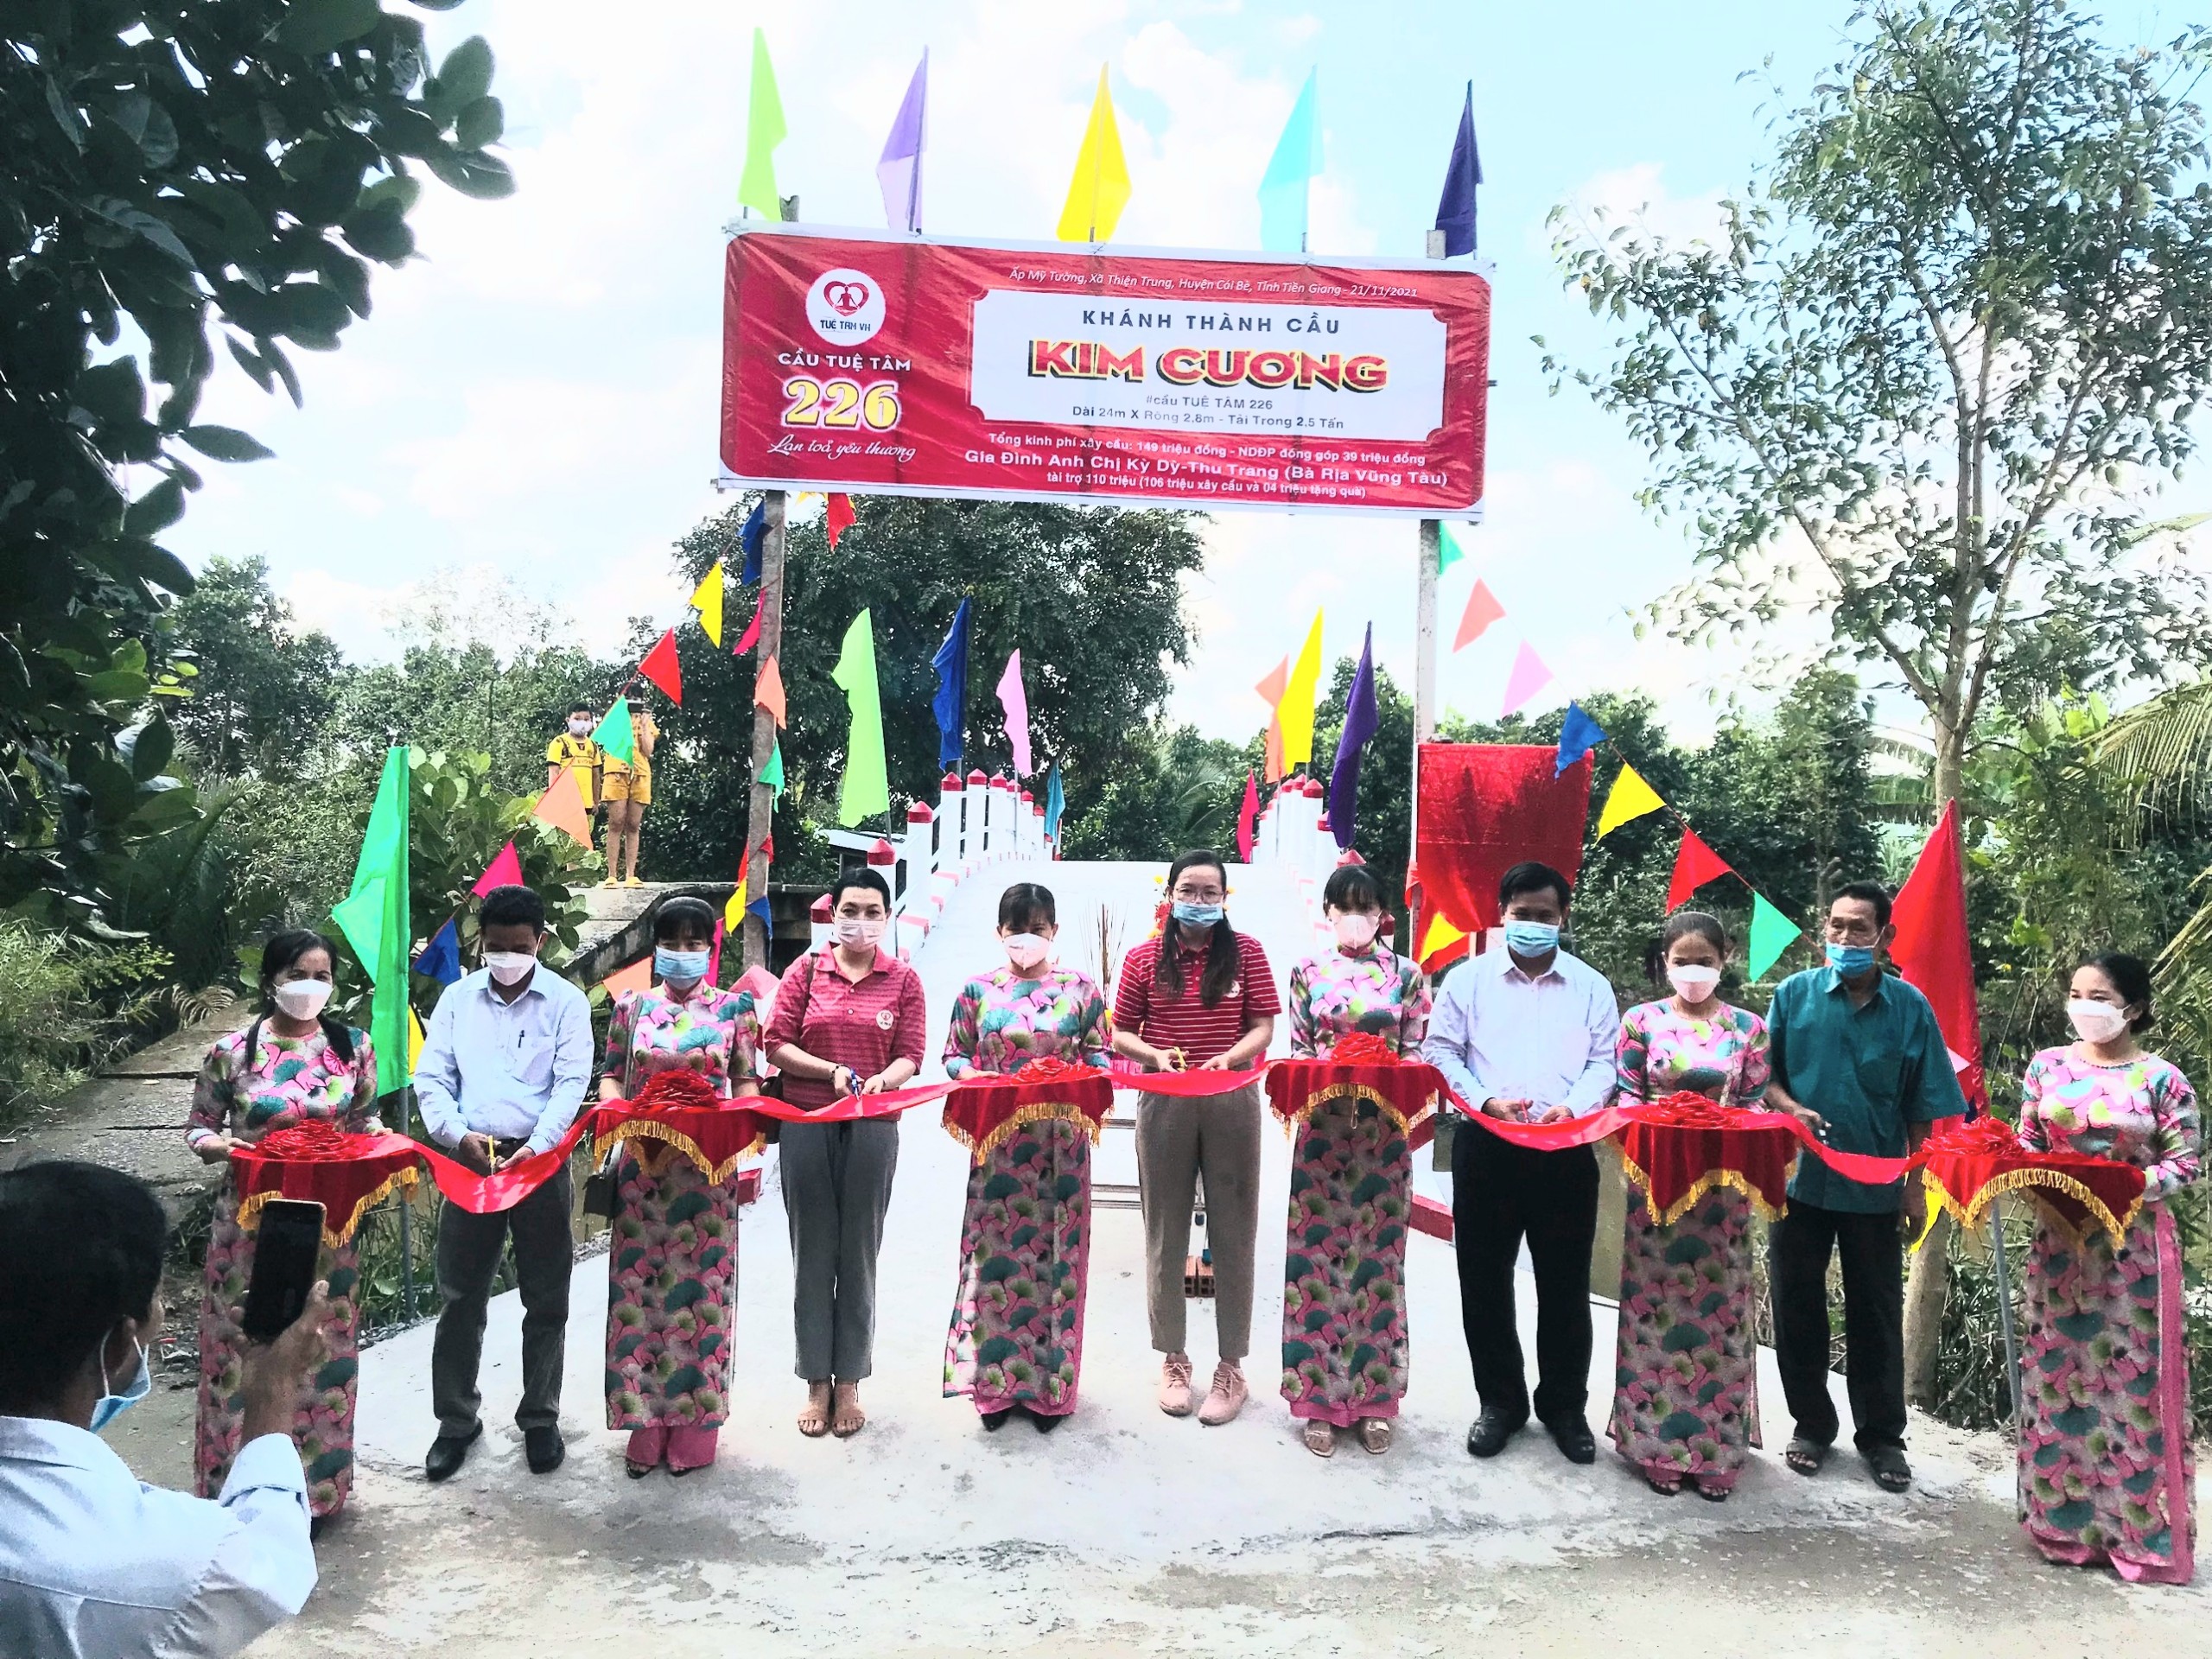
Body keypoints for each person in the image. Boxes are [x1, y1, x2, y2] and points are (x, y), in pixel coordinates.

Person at [0, 1160, 328, 1658]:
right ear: (118, 1345)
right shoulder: (166, 1561)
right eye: (157, 1301)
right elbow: (269, 1563)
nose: (163, 1314)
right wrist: (273, 1389)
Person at [1762, 880, 1967, 1493]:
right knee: (1796, 1302)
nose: (1845, 937)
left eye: (1858, 927)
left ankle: (1881, 1437)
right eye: (1836, 925)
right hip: (1798, 1182)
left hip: (1877, 1188)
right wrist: (1790, 1108)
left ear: (1885, 936)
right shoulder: (1793, 995)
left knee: (1875, 1311)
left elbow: (1923, 1106)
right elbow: (1762, 1078)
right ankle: (1811, 1425)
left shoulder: (1910, 1008)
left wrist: (1914, 1186)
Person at [1422, 860, 1620, 1465]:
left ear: (1564, 917)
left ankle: (1565, 1408)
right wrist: (1486, 1101)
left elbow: (1606, 1063)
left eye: (1545, 915)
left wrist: (1574, 1108)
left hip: (1566, 1148)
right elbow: (1440, 1050)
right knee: (1484, 1281)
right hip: (1487, 1145)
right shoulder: (1467, 981)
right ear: (1501, 914)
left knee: (1566, 1285)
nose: (1533, 923)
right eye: (1522, 914)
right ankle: (1500, 1404)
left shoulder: (1591, 986)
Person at [2014, 952, 2200, 1582]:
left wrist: (2125, 1186)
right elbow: (2026, 1144)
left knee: (2131, 1386)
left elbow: (2186, 1163)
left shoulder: (2163, 1080)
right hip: (2059, 1245)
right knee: (2058, 1376)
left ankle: (2138, 1537)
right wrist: (2022, 1175)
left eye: (2100, 997)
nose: (2084, 1006)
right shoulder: (2046, 1067)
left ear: (2135, 1008)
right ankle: (2060, 1526)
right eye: (2076, 994)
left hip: (2133, 1252)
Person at [184, 930, 378, 1529]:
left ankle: (316, 1494)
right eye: (298, 974)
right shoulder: (231, 1053)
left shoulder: (353, 1047)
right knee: (241, 1346)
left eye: (322, 976)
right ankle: (232, 1488)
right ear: (271, 979)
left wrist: (378, 1144)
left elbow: (363, 1121)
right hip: (249, 1226)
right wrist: (221, 1147)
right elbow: (198, 1127)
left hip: (328, 1228)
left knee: (321, 1347)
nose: (310, 987)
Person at [1610, 911, 1802, 1500]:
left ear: (1725, 960)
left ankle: (1715, 1450)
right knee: (1654, 1310)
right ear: (1664, 962)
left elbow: (1754, 1105)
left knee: (1721, 1314)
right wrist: (1665, 1129)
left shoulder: (1749, 1028)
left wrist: (1729, 1128)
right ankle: (1654, 1444)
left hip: (1724, 1191)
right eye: (1682, 960)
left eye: (1705, 960)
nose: (1694, 970)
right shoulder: (1640, 1022)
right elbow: (1627, 1098)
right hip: (1658, 1189)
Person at [414, 883, 595, 1482]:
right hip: (471, 1158)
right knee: (460, 1295)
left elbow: (571, 1084)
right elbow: (432, 1076)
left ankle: (540, 1417)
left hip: (539, 1161)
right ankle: (456, 1420)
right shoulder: (457, 1000)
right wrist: (455, 1134)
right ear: (480, 943)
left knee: (547, 1295)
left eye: (520, 946)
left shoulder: (565, 1003)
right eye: (497, 946)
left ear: (541, 941)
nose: (508, 957)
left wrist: (538, 1148)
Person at [1111, 849, 1280, 1427]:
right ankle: (1174, 1358)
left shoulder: (1247, 953)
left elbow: (1263, 1025)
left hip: (1232, 1099)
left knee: (1234, 1230)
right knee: (1166, 1230)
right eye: (1188, 890)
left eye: (1211, 892)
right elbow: (1120, 1031)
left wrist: (1231, 1057)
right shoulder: (1143, 958)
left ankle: (1232, 1366)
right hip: (1165, 1101)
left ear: (1224, 899)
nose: (1199, 901)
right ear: (1170, 895)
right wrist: (1155, 1055)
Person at [597, 896, 761, 1477]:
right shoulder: (631, 1006)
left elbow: (746, 1081)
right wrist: (619, 1116)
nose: (683, 952)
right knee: (639, 1297)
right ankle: (644, 1426)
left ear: (710, 949)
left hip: (709, 1177)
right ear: (656, 948)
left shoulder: (736, 1008)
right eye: (672, 942)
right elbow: (612, 1076)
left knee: (702, 1298)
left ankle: (695, 1429)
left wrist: (749, 1150)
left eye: (695, 943)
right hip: (643, 1173)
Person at [940, 882, 1111, 1433]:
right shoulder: (976, 991)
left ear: (1054, 931)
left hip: (1062, 1148)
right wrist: (976, 1076)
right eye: (1016, 928)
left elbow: (1101, 1056)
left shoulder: (1081, 989)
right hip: (999, 1150)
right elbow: (953, 1056)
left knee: (1057, 1262)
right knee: (996, 1260)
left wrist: (1070, 1076)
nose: (1026, 937)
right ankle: (994, 1388)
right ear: (1000, 932)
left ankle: (1049, 1391)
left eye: (1037, 928)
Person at [765, 868, 927, 1439]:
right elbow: (775, 1043)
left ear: (887, 916)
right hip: (807, 1122)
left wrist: (886, 1078)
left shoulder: (903, 980)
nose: (860, 921)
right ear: (833, 914)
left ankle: (851, 1380)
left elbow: (911, 1053)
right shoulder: (806, 971)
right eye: (850, 910)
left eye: (872, 911)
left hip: (873, 1126)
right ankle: (816, 1380)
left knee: (859, 1251)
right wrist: (828, 1071)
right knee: (812, 1251)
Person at [1281, 861, 1432, 1459]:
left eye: (1365, 906)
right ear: (1328, 912)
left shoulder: (1408, 975)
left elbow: (1416, 1054)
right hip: (1321, 1133)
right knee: (1315, 1264)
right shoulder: (1307, 971)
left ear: (1382, 914)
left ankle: (1375, 1400)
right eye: (1344, 906)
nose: (1354, 916)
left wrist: (1380, 1068)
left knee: (1376, 1266)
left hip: (1383, 1136)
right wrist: (1332, 1070)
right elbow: (1299, 1050)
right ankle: (1316, 1400)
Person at [599, 698, 658, 889]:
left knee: (633, 824)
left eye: (638, 698)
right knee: (616, 822)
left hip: (640, 774)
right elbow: (604, 739)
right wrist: (618, 713)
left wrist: (644, 725)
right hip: (617, 772)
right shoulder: (614, 717)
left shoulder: (646, 721)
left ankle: (631, 874)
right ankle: (612, 874)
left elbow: (648, 750)